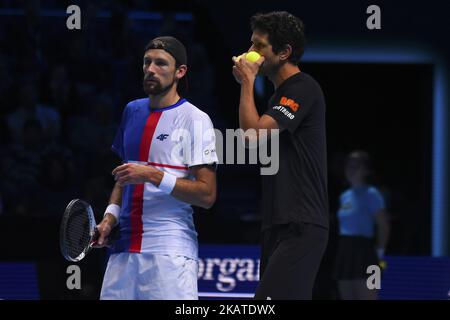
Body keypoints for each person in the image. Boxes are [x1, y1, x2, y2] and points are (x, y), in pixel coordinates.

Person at [95, 36, 218, 300]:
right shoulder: (132, 110)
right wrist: (109, 218)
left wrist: (153, 174)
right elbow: (124, 177)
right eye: (147, 62)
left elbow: (207, 195)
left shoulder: (195, 119)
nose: (151, 69)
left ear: (180, 71)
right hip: (122, 251)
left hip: (169, 252)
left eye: (161, 63)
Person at [232, 11, 329, 299]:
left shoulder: (303, 87)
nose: (251, 53)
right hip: (277, 224)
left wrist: (247, 82)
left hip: (301, 223)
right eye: (251, 45)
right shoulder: (278, 96)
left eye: (259, 46)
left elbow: (252, 136)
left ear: (284, 52)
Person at [334, 150, 390, 300]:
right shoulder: (344, 196)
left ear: (365, 170)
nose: (351, 170)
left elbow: (383, 226)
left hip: (366, 252)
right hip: (345, 252)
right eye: (348, 166)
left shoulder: (372, 194)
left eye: (356, 166)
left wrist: (379, 252)